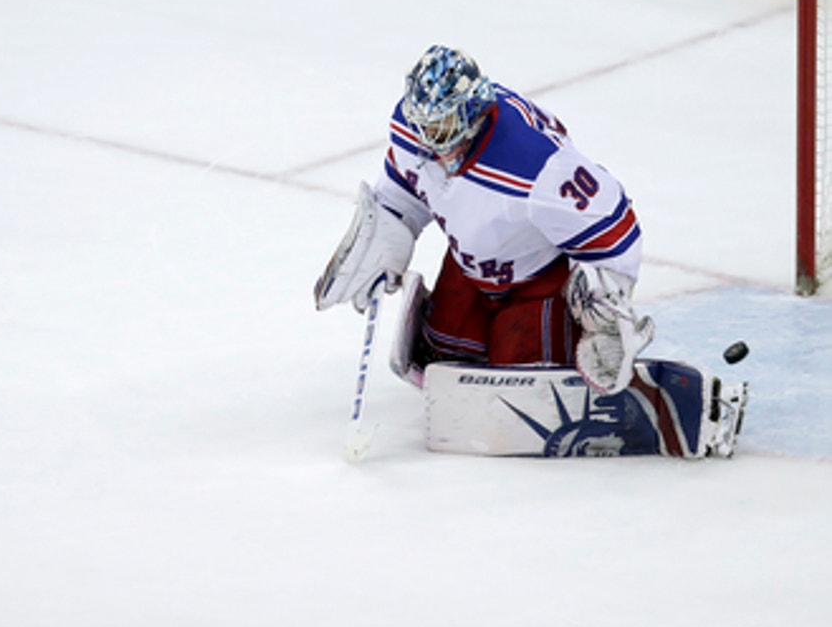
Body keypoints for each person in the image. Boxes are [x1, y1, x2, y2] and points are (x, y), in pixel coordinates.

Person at [314, 45, 746, 458]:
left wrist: (605, 306)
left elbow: (615, 229)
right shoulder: (417, 129)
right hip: (471, 266)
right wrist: (387, 231)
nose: (429, 138)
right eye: (425, 125)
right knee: (442, 360)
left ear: (472, 113)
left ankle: (649, 397)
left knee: (516, 379)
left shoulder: (535, 163)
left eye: (442, 126)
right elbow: (407, 191)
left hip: (541, 282)